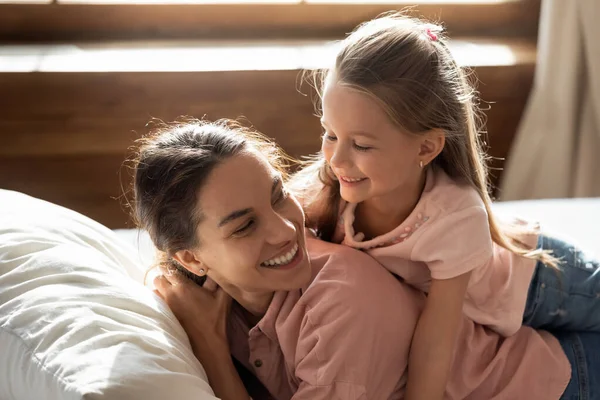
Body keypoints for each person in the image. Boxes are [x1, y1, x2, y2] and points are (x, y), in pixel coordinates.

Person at [132, 119, 597, 400]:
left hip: (556, 382)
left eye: (277, 196)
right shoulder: (200, 297)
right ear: (191, 259)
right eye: (244, 225)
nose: (284, 228)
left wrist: (210, 350)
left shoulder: (341, 301)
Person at [287, 13, 600, 400]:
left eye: (362, 145)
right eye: (330, 134)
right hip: (494, 299)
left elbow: (436, 344)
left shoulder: (455, 216)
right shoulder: (327, 188)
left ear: (426, 147)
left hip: (540, 282)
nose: (336, 159)